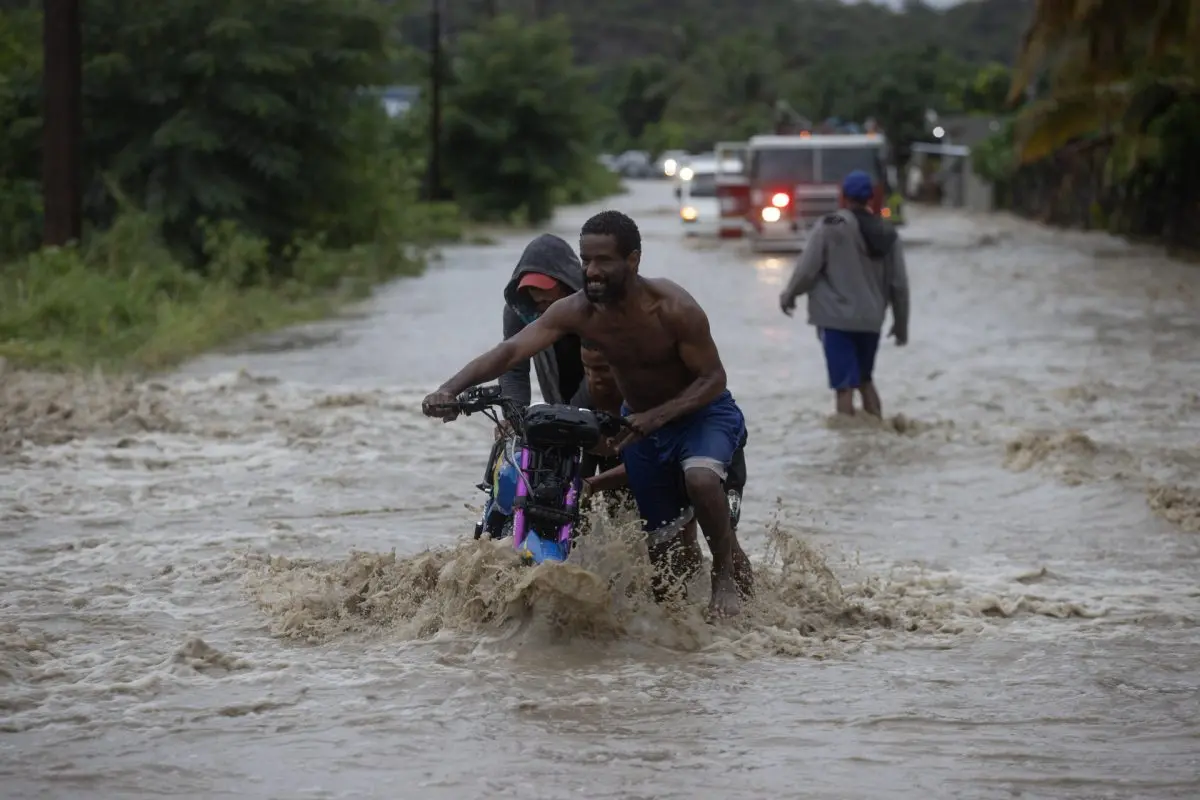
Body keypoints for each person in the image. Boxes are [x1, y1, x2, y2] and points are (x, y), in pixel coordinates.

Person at [423, 210, 753, 618]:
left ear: (633, 261)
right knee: (664, 550)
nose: (592, 271)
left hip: (700, 414)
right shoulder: (577, 311)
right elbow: (509, 352)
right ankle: (681, 642)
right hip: (640, 426)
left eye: (603, 261)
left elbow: (714, 379)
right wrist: (449, 389)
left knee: (701, 480)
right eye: (586, 260)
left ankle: (724, 576)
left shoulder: (672, 307)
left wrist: (657, 416)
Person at [779, 169, 910, 417]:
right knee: (865, 380)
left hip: (836, 319)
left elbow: (808, 269)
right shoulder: (887, 231)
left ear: (843, 196)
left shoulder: (832, 224)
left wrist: (789, 295)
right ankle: (876, 435)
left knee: (844, 387)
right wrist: (901, 325)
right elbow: (899, 285)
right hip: (871, 320)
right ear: (872, 197)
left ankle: (849, 445)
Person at [500, 233, 589, 410]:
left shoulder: (595, 307)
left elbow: (600, 374)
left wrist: (571, 414)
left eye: (545, 288)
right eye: (532, 289)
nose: (539, 297)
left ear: (566, 284)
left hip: (607, 400)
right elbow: (512, 367)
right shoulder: (521, 311)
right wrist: (513, 414)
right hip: (558, 401)